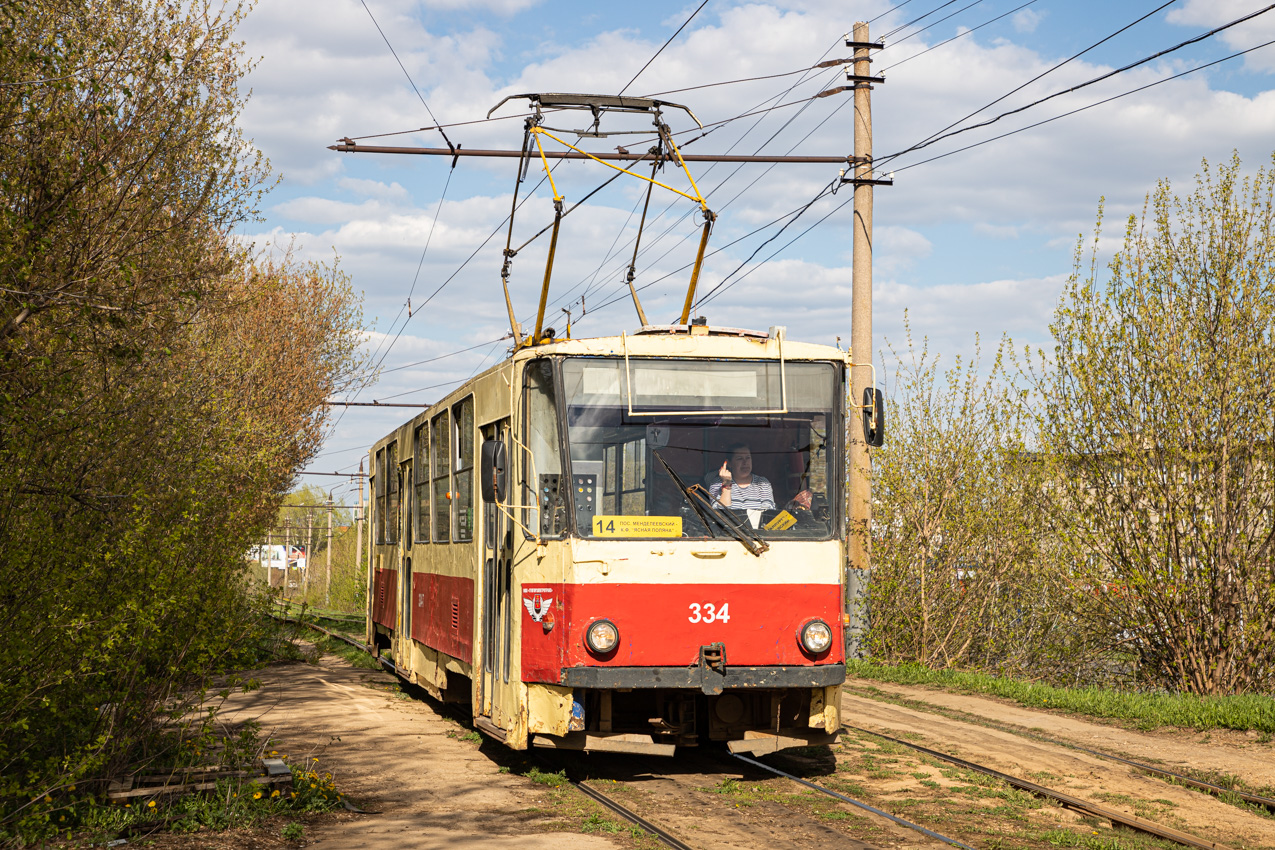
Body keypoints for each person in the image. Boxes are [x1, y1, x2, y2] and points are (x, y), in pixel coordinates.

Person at [709, 444, 812, 513]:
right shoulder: (717, 483)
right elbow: (721, 515)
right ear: (729, 463)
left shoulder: (762, 483)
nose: (745, 463)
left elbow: (768, 513)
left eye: (748, 458)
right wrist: (727, 484)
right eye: (739, 459)